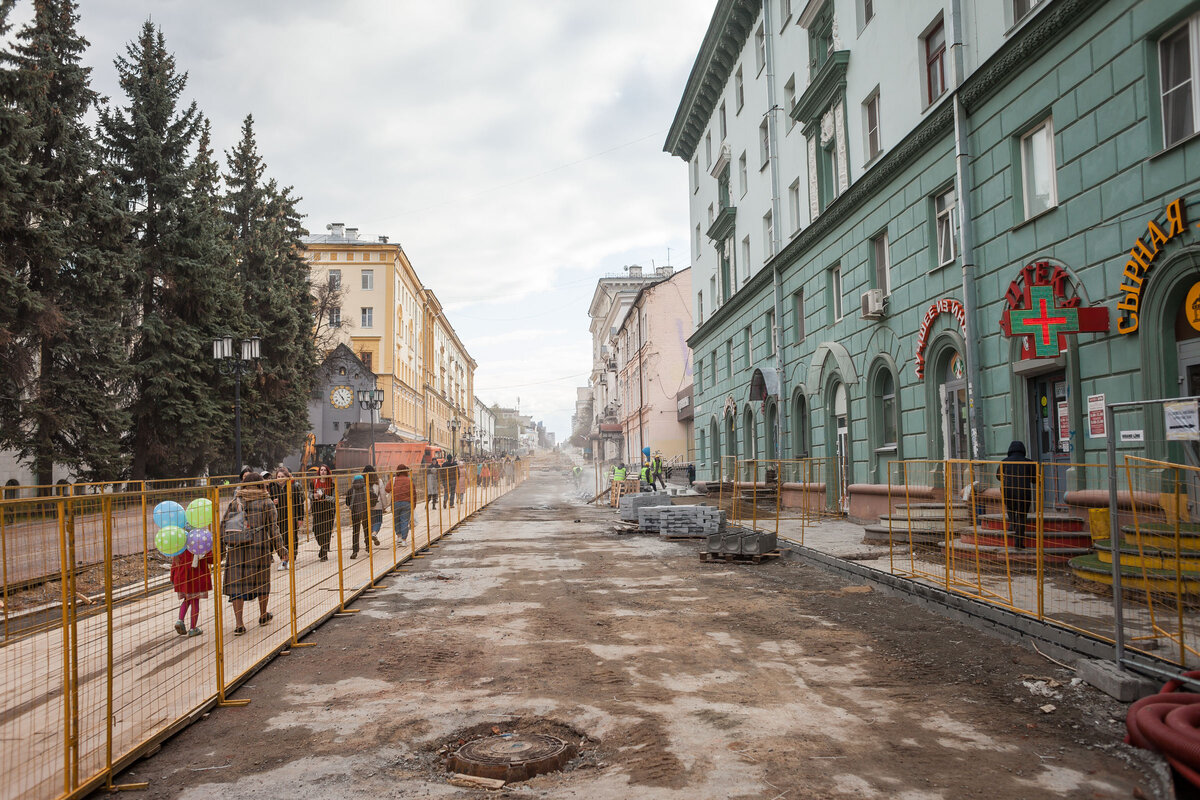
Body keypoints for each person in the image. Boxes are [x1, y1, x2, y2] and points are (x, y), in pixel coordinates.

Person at [222, 471, 286, 635]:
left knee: (237, 584)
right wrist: (281, 550)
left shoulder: (235, 501)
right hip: (259, 547)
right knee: (262, 582)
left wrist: (220, 551)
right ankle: (263, 615)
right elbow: (273, 529)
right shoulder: (266, 502)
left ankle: (239, 624)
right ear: (260, 485)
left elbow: (224, 526)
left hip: (236, 548)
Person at [997, 440, 1037, 550]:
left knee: (1010, 507)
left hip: (1008, 491)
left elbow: (998, 476)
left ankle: (1012, 523)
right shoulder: (1029, 462)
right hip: (1024, 493)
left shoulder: (1004, 462)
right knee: (1022, 516)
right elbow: (1035, 480)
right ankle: (1018, 543)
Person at [170, 546, 213, 637]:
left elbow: (174, 564)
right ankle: (193, 628)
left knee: (187, 599)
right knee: (195, 601)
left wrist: (172, 577)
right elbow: (211, 559)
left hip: (182, 577)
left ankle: (180, 620)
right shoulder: (200, 544)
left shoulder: (179, 546)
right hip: (196, 577)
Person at [269, 466, 304, 571]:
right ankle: (284, 560)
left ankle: (291, 559)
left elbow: (299, 504)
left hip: (292, 517)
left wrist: (300, 517)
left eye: (282, 476)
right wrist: (273, 502)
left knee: (292, 538)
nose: (280, 478)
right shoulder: (273, 489)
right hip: (279, 518)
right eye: (278, 476)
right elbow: (268, 503)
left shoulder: (293, 487)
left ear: (287, 477)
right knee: (281, 540)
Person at [309, 464, 336, 562]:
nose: (323, 472)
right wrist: (313, 496)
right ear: (319, 472)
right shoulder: (313, 482)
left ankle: (324, 553)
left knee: (326, 531)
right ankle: (323, 546)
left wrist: (324, 497)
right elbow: (309, 494)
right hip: (317, 509)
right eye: (321, 470)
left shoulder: (332, 484)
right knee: (316, 530)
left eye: (325, 470)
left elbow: (334, 499)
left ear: (328, 472)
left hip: (328, 509)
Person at [345, 474, 371, 559]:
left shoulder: (350, 490)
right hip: (365, 512)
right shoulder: (366, 489)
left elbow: (347, 503)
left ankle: (355, 551)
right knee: (366, 530)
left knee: (355, 532)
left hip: (355, 514)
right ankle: (368, 547)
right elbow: (372, 499)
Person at [388, 465, 414, 543]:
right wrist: (414, 504)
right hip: (406, 503)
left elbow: (387, 489)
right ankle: (404, 540)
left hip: (395, 502)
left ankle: (398, 536)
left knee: (396, 520)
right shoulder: (409, 480)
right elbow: (413, 492)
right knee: (405, 521)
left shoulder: (393, 480)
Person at [363, 465, 384, 547]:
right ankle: (374, 533)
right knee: (378, 521)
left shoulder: (362, 481)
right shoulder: (378, 481)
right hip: (377, 505)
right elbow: (382, 494)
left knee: (369, 523)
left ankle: (367, 539)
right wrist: (384, 506)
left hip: (366, 506)